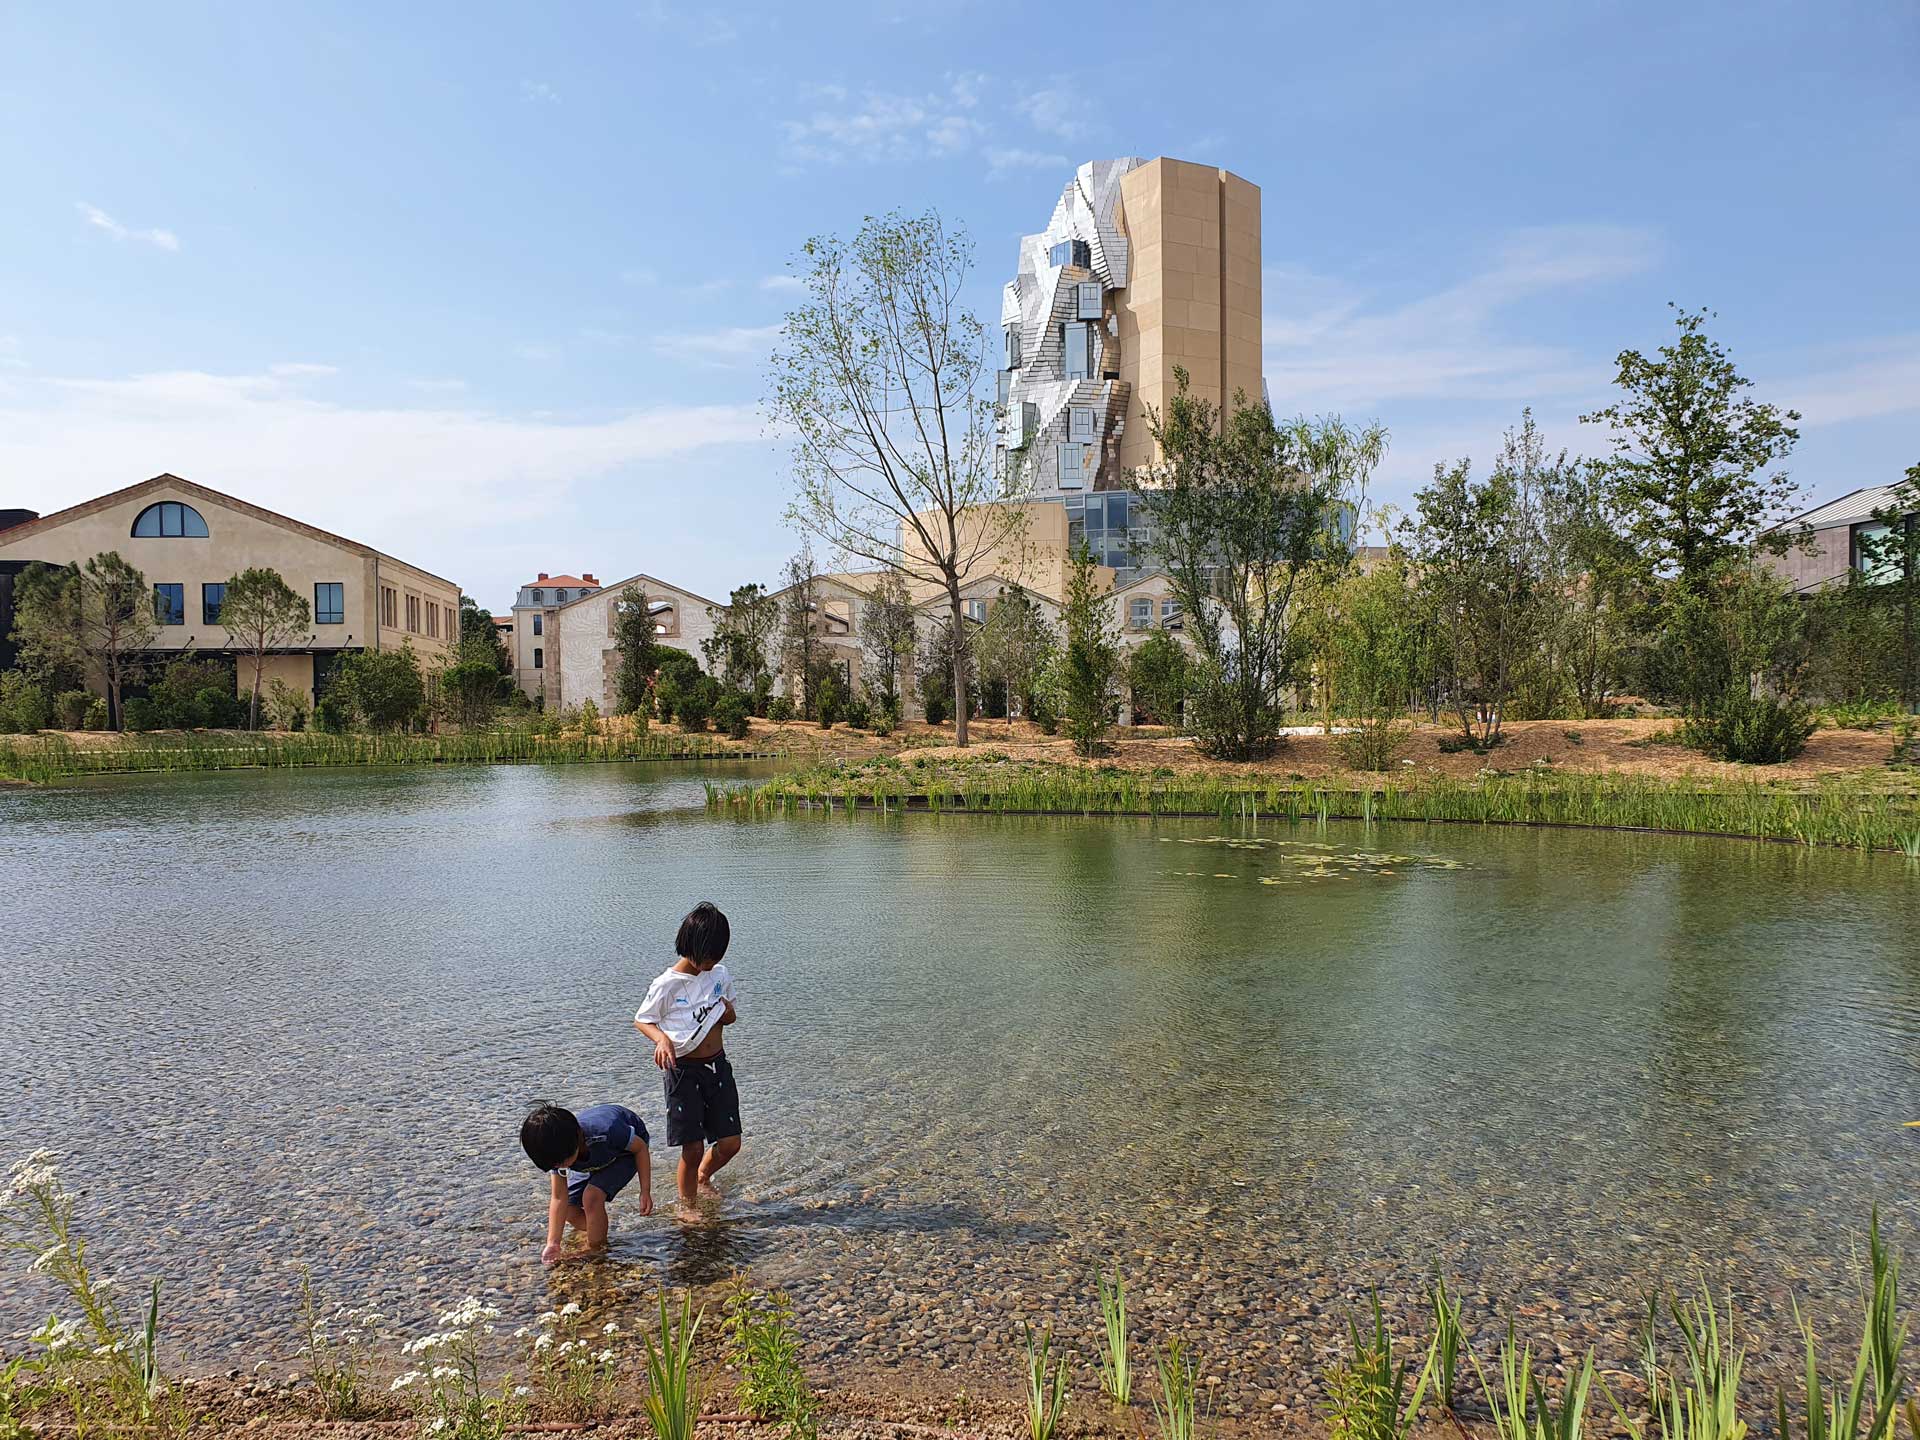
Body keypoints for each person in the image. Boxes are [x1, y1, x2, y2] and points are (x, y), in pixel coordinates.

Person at [633, 901, 742, 1219]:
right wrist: (661, 1039)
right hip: (683, 1071)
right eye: (709, 956)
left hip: (718, 1066)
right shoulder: (667, 984)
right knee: (692, 1147)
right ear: (691, 947)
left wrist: (728, 1012)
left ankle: (704, 1176)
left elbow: (730, 1016)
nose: (713, 962)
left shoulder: (719, 974)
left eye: (717, 956)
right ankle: (688, 1205)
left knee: (731, 1142)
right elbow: (643, 1020)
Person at [518, 1102, 653, 1264]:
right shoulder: (556, 1153)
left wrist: (645, 1191)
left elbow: (640, 1148)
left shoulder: (606, 1131)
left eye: (563, 1162)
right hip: (591, 1156)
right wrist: (553, 1243)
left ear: (578, 1139)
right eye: (556, 1165)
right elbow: (559, 1197)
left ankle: (597, 1250)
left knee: (591, 1197)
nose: (560, 1168)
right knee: (569, 1208)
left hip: (626, 1152)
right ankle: (598, 1231)